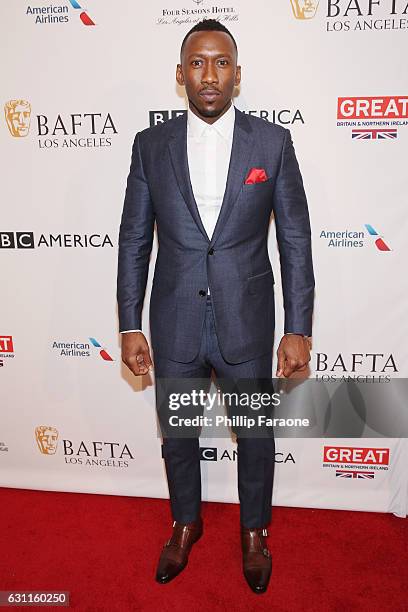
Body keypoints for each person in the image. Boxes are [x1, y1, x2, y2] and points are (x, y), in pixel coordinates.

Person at [117, 19, 314, 594]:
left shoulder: (271, 143)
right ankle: (185, 522)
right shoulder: (150, 146)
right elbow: (134, 238)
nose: (210, 74)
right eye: (198, 63)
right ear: (181, 76)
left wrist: (298, 327)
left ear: (236, 74)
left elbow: (295, 239)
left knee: (254, 434)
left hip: (247, 319)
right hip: (173, 317)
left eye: (221, 62)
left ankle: (255, 532)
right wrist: (129, 322)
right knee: (178, 431)